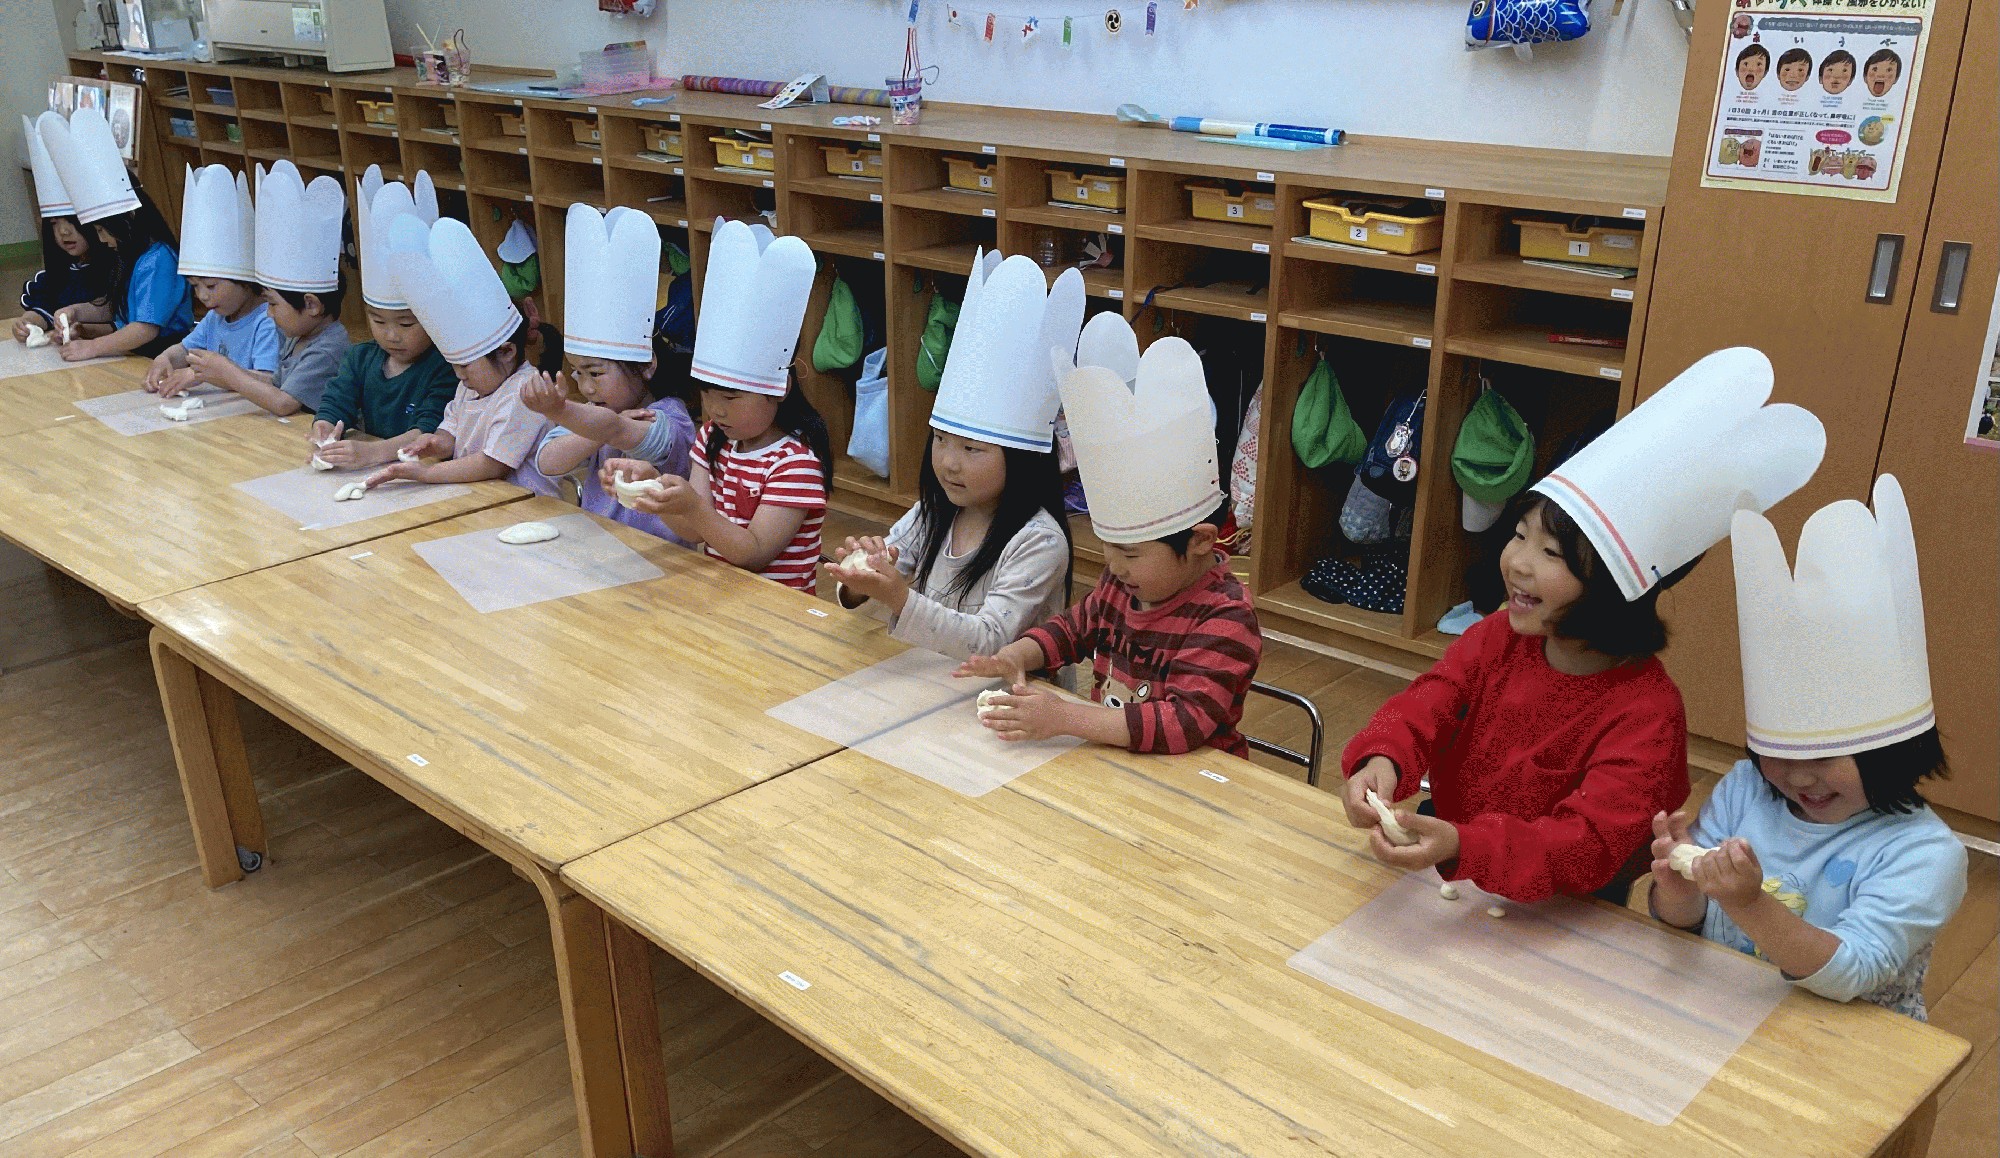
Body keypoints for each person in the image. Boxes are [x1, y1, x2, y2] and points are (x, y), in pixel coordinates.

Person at [1340, 348, 1828, 903]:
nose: (1518, 562)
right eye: (1518, 535)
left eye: (1550, 552)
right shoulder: (1496, 638)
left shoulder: (1647, 713)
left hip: (1572, 907)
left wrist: (1464, 845)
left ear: (1611, 592)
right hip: (1464, 871)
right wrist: (1385, 756)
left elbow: (1587, 845)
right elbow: (1428, 702)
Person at [1650, 476, 1965, 1021]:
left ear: (1889, 753)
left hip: (1848, 1041)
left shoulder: (1924, 854)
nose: (1797, 778)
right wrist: (1679, 890)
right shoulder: (1748, 789)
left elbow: (1854, 973)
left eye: (1822, 758)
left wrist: (1749, 903)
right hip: (1725, 1015)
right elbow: (1686, 922)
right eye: (1778, 754)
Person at [957, 313, 1262, 756]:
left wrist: (1065, 718)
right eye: (1109, 549)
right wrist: (1019, 654)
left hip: (1194, 778)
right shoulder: (1122, 585)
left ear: (1200, 541)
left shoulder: (1226, 618)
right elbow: (1073, 629)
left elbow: (1183, 724)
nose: (1114, 567)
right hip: (1117, 762)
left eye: (1130, 553)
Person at [833, 252, 1081, 659]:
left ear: (1021, 459)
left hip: (1006, 693)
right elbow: (876, 580)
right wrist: (863, 577)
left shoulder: (1039, 541)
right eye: (940, 440)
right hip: (930, 678)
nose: (948, 462)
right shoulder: (934, 512)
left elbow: (990, 641)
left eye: (972, 449)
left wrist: (898, 597)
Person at [609, 220, 828, 590]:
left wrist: (693, 506)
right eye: (708, 394)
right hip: (720, 597)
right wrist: (653, 489)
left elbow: (753, 553)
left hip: (778, 610)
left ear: (780, 389)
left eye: (731, 397)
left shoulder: (795, 466)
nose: (716, 409)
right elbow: (696, 532)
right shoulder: (713, 437)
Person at [520, 204, 695, 542]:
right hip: (601, 545)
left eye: (596, 373)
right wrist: (593, 428)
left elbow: (624, 431)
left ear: (646, 365)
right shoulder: (595, 414)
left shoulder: (669, 416)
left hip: (660, 556)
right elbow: (548, 461)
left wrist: (562, 411)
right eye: (577, 372)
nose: (586, 387)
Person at [362, 215, 545, 490]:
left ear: (506, 352)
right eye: (454, 365)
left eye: (465, 365)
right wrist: (435, 443)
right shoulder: (470, 386)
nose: (459, 375)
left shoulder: (525, 392)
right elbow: (452, 430)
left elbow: (492, 464)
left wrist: (425, 474)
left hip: (525, 502)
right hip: (478, 493)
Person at [311, 169, 456, 468]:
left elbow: (427, 430)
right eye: (378, 321)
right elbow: (337, 401)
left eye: (405, 324)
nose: (391, 335)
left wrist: (373, 453)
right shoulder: (360, 358)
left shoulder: (445, 368)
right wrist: (324, 427)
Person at [35, 108, 191, 360]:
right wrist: (78, 318)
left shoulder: (158, 259)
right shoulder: (131, 256)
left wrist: (93, 347)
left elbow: (144, 329)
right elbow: (115, 311)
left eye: (101, 229)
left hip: (162, 356)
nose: (101, 239)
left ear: (128, 219)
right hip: (134, 353)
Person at [143, 165, 277, 400]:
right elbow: (184, 350)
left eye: (211, 285)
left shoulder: (266, 321)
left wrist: (202, 375)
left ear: (245, 280)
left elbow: (269, 380)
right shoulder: (216, 318)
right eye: (195, 286)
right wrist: (164, 358)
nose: (202, 295)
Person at [247, 160, 349, 417]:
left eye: (273, 303)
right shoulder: (298, 335)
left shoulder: (328, 347)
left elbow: (284, 403)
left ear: (312, 304)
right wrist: (215, 373)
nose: (268, 313)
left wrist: (226, 372)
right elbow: (276, 384)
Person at [11, 115, 109, 343]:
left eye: (71, 221)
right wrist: (28, 322)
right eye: (54, 224)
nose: (63, 232)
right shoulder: (58, 274)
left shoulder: (114, 270)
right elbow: (43, 306)